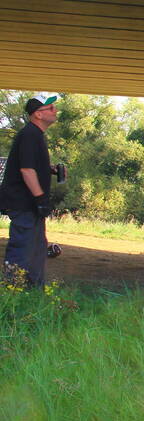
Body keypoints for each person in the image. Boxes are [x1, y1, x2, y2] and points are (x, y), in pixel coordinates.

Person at [0, 93, 60, 286]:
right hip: (24, 203)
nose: (55, 110)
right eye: (50, 108)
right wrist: (41, 199)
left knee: (37, 248)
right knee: (22, 248)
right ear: (38, 115)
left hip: (30, 205)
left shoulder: (35, 135)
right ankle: (12, 290)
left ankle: (33, 292)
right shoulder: (29, 135)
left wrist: (49, 169)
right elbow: (26, 170)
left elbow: (30, 165)